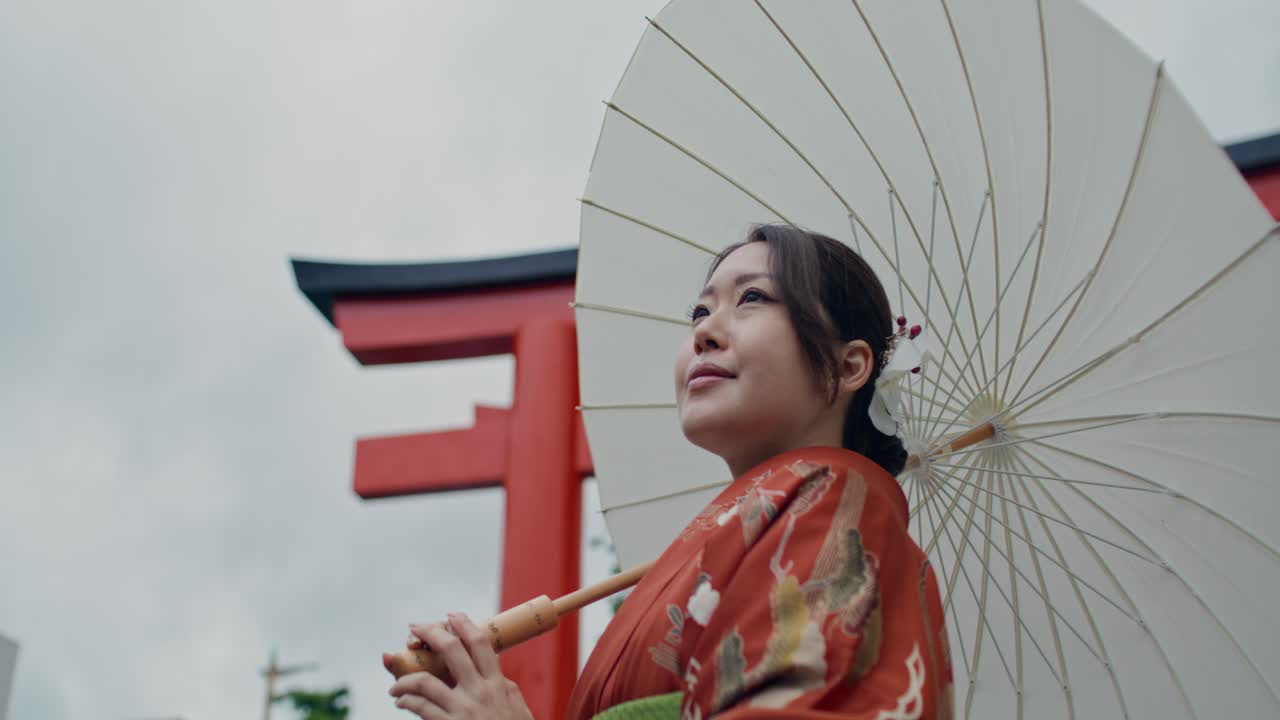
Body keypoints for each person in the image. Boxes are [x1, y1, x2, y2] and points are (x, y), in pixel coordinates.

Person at [387, 225, 954, 719]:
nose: (704, 332)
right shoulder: (749, 526)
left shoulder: (834, 498)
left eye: (752, 298)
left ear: (847, 365)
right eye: (700, 312)